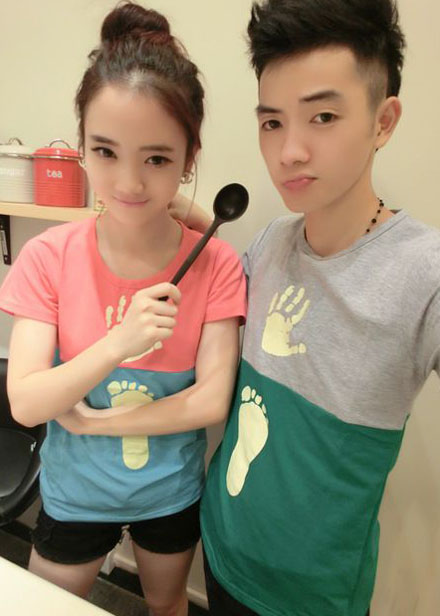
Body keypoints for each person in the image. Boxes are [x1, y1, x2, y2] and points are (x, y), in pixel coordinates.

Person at [51, 0, 434, 615]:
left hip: (313, 594)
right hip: (222, 550)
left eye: (324, 116)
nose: (290, 151)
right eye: (272, 122)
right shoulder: (270, 245)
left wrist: (94, 421)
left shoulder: (424, 272)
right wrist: (161, 207)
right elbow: (216, 289)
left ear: (383, 121)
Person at [0, 3, 246, 616]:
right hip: (74, 495)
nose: (129, 183)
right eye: (106, 151)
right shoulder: (48, 257)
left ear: (189, 157)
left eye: (156, 158)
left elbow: (211, 402)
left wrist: (93, 423)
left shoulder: (215, 263)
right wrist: (118, 342)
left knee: (167, 606)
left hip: (171, 494)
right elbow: (26, 400)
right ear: (82, 145)